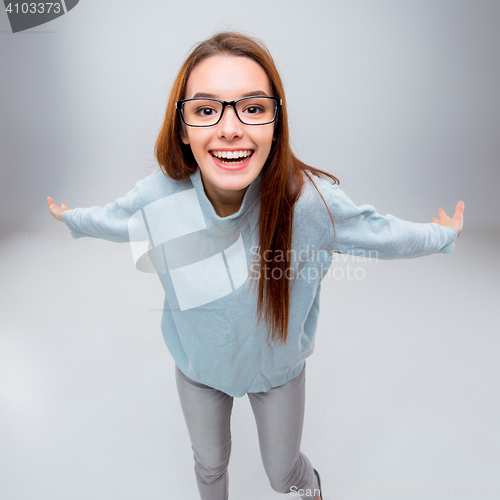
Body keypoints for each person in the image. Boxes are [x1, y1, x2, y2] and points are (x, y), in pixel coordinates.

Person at [47, 32, 464, 500]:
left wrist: (443, 235)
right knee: (208, 466)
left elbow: (383, 234)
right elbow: (116, 219)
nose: (229, 129)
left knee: (282, 475)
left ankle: (312, 489)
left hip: (276, 374)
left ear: (275, 123)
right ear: (183, 127)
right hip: (199, 371)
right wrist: (73, 219)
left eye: (253, 108)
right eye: (206, 110)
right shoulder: (160, 195)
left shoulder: (308, 204)